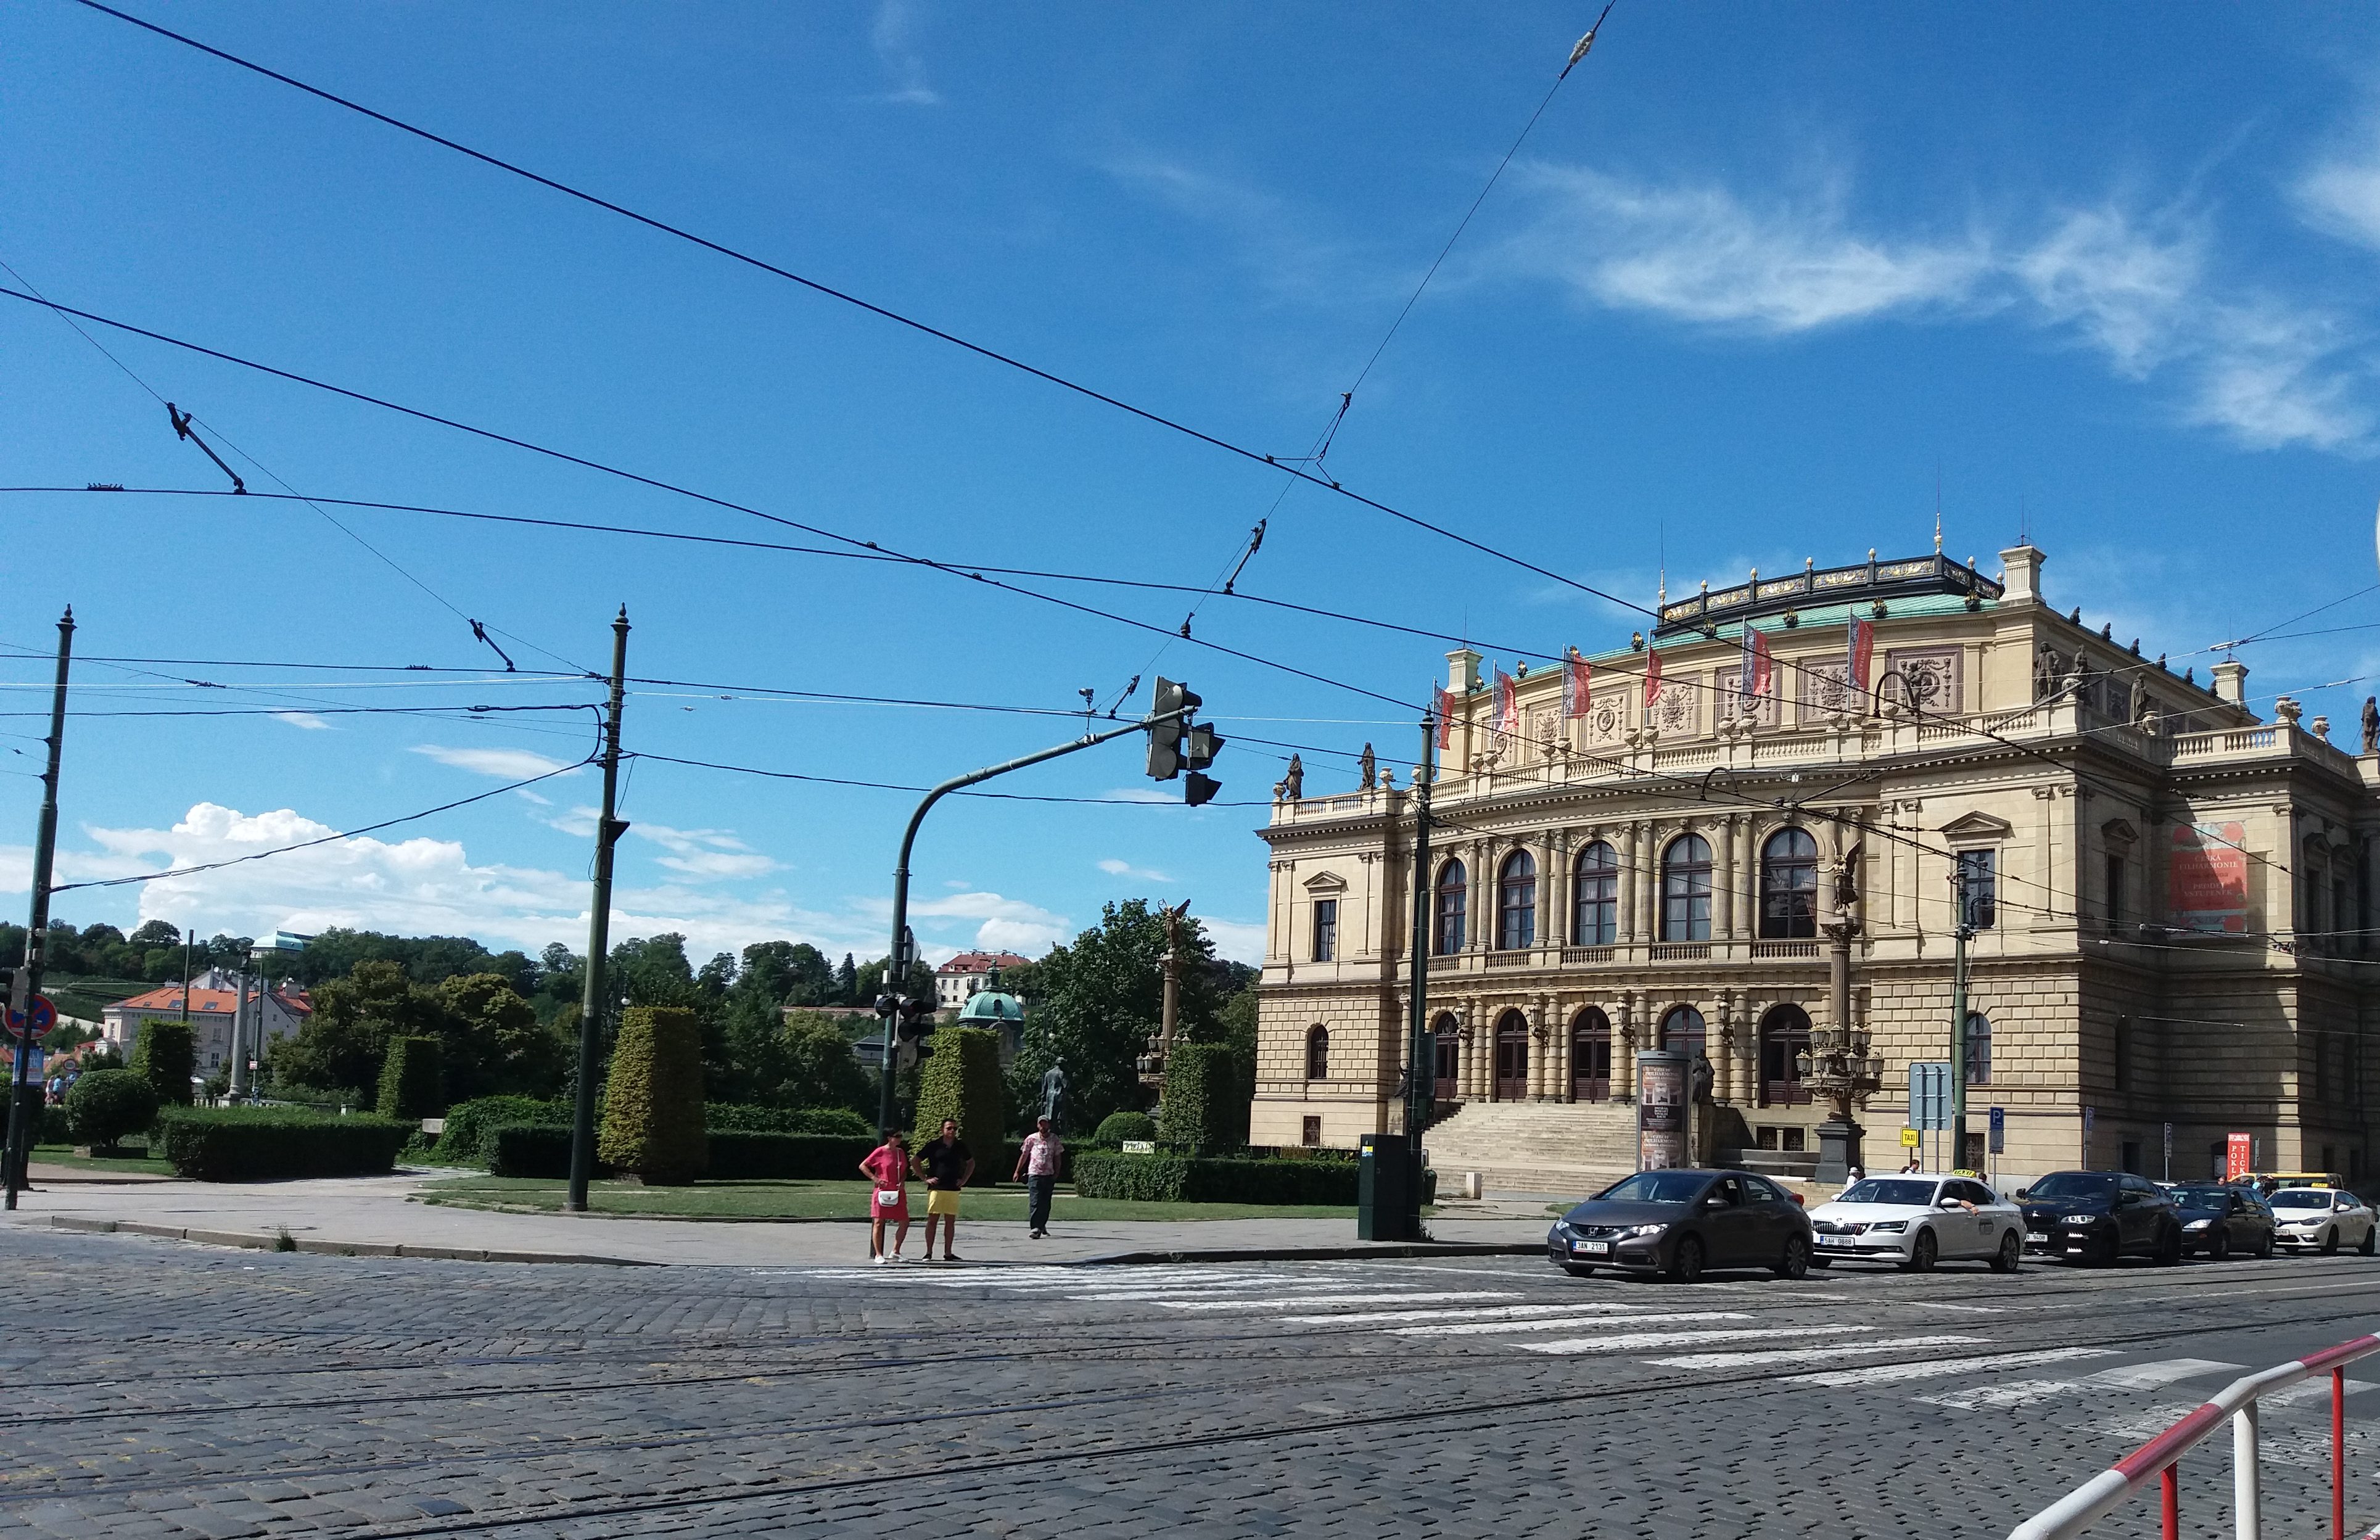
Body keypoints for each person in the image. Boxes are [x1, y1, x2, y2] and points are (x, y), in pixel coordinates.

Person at [912, 1116, 974, 1262]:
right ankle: (928, 1252)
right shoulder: (934, 1146)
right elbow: (915, 1160)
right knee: (933, 1220)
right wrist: (924, 1178)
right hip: (936, 1187)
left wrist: (964, 1179)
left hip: (953, 1187)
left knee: (950, 1221)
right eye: (949, 1128)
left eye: (955, 1128)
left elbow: (971, 1162)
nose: (952, 1131)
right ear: (942, 1130)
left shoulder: (960, 1146)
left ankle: (948, 1253)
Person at [860, 1130, 911, 1264]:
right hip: (882, 1190)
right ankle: (878, 1254)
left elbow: (904, 1170)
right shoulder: (880, 1152)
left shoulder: (900, 1153)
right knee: (878, 1222)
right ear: (889, 1138)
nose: (900, 1139)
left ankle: (896, 1251)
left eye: (901, 1136)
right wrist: (875, 1179)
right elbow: (863, 1166)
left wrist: (902, 1181)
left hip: (898, 1190)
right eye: (897, 1136)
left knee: (904, 1221)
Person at [1015, 1114, 1063, 1239]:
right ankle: (1035, 1228)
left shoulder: (1054, 1139)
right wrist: (1017, 1171)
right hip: (1034, 1174)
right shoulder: (1031, 1139)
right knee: (1035, 1201)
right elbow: (1024, 1155)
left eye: (1045, 1123)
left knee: (1046, 1203)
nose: (1043, 1126)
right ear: (1037, 1125)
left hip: (1048, 1175)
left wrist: (1057, 1173)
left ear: (1049, 1125)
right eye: (1041, 1124)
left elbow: (1057, 1157)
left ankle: (1042, 1224)